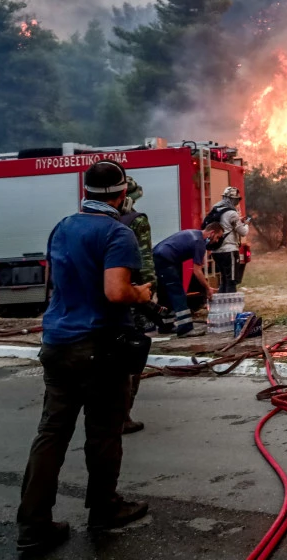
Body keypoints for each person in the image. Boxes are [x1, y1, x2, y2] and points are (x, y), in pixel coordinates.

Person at [16, 161, 153, 556]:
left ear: (86, 191)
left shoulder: (62, 227)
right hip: (98, 346)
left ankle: (33, 525)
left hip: (57, 343)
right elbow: (116, 291)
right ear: (121, 193)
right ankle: (104, 509)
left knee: (51, 434)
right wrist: (141, 294)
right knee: (104, 431)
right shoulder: (117, 232)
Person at [118, 177, 156, 434]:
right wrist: (151, 293)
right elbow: (145, 261)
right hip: (131, 297)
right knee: (133, 357)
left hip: (105, 298)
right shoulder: (137, 220)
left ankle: (105, 413)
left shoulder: (94, 220)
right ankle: (123, 416)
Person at [152, 224, 222, 337]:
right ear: (212, 233)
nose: (216, 241)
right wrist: (207, 288)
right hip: (166, 259)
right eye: (217, 237)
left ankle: (166, 325)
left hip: (159, 256)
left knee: (165, 293)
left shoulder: (194, 233)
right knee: (178, 293)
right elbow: (197, 271)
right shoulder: (200, 242)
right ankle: (185, 329)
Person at [204, 186, 249, 294]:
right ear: (233, 199)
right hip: (229, 251)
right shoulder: (232, 213)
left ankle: (222, 306)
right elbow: (243, 232)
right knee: (231, 281)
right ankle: (231, 307)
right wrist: (245, 224)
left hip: (216, 251)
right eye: (236, 199)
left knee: (224, 280)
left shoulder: (216, 209)